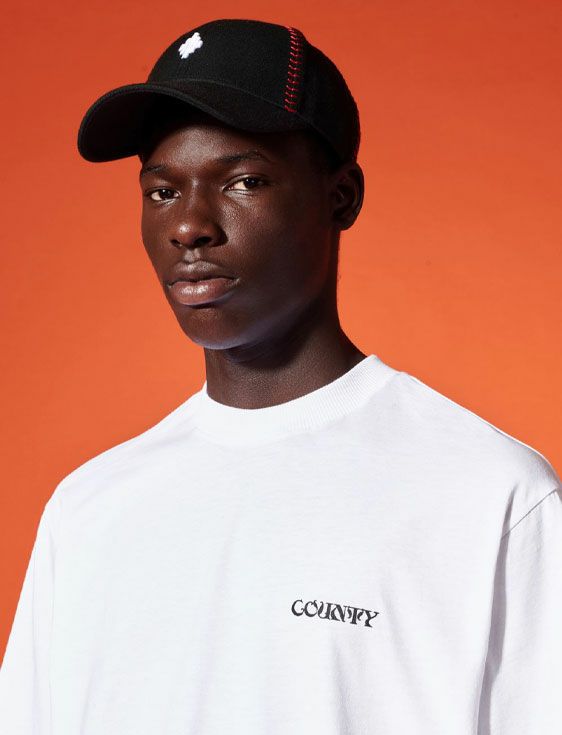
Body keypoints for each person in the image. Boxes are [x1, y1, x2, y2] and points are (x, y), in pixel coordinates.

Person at [1, 17, 560, 735]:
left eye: (244, 181)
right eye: (162, 191)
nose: (189, 226)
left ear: (341, 197)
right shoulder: (87, 511)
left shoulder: (490, 496)